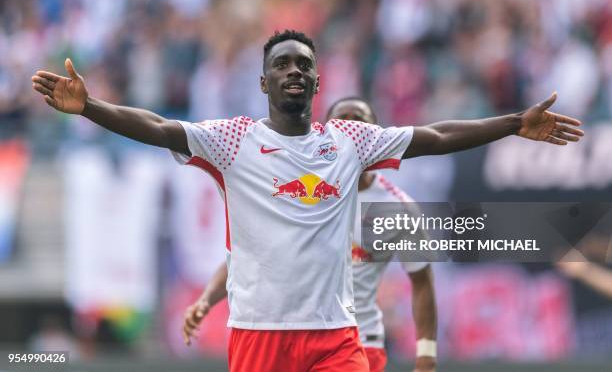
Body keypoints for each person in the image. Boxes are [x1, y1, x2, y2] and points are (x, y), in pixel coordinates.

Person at [32, 29, 583, 372]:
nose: (294, 70)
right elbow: (156, 126)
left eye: (303, 64)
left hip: (335, 339)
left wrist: (513, 123)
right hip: (258, 337)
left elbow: (435, 136)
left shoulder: (351, 141)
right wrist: (91, 109)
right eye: (282, 64)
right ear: (263, 82)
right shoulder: (232, 140)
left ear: (317, 83)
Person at [183, 98, 438, 372]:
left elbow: (422, 279)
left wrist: (426, 352)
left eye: (359, 121)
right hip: (295, 335)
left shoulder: (398, 207)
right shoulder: (303, 191)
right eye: (343, 120)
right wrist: (206, 299)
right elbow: (249, 256)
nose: (351, 126)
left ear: (375, 134)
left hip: (360, 339)